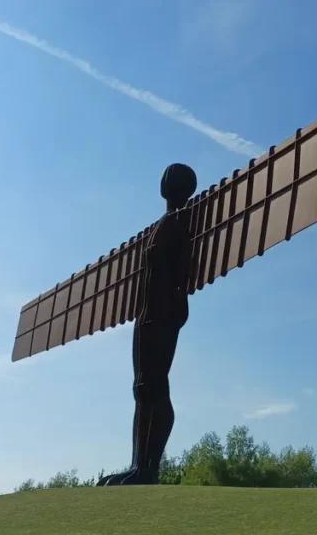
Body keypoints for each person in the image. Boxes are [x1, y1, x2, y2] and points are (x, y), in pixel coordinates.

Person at [97, 163, 197, 487]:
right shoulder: (162, 224)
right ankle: (137, 464)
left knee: (154, 385)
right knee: (141, 387)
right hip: (146, 313)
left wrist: (174, 306)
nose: (165, 181)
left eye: (171, 179)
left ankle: (149, 468)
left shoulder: (181, 223)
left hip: (165, 311)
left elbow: (184, 270)